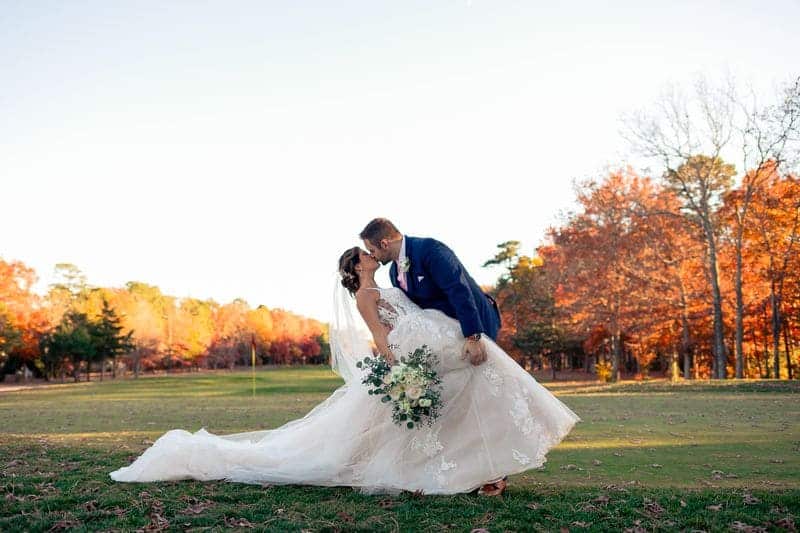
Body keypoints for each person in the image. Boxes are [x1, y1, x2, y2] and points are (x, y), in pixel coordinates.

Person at [109, 244, 580, 497]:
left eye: (370, 251)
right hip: (413, 361)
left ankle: (485, 465)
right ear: (356, 267)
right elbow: (380, 338)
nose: (371, 255)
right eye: (364, 255)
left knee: (474, 392)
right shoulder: (366, 295)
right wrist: (399, 372)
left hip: (437, 351)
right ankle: (479, 468)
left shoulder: (393, 280)